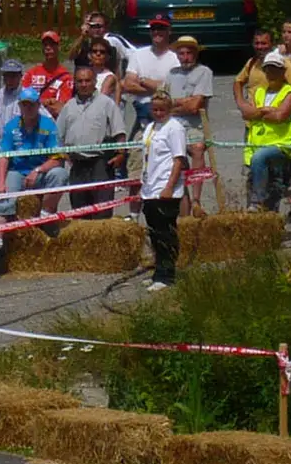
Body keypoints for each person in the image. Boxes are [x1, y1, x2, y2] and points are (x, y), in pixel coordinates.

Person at [0, 88, 67, 272]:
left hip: (41, 171)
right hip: (17, 170)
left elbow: (58, 157)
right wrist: (1, 182)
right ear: (20, 106)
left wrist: (38, 170)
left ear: (38, 105)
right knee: (0, 191)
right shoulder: (11, 126)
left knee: (60, 175)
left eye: (31, 104)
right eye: (24, 105)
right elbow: (4, 156)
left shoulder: (49, 125)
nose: (28, 108)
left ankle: (45, 219)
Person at [54, 66, 130, 218]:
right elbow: (57, 135)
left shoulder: (106, 103)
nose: (83, 84)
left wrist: (121, 154)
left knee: (102, 211)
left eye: (87, 80)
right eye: (80, 81)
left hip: (101, 163)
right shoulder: (68, 106)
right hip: (77, 165)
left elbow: (119, 132)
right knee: (79, 211)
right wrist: (63, 154)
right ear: (74, 83)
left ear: (95, 82)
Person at [140, 91, 189, 290]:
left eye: (162, 109)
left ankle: (167, 275)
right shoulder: (151, 127)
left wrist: (169, 186)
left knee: (165, 232)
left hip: (165, 187)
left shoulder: (174, 128)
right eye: (155, 109)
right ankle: (158, 271)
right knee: (154, 232)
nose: (158, 113)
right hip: (149, 187)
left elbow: (179, 159)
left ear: (170, 109)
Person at [241, 48, 291, 212]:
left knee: (261, 161)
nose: (271, 72)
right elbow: (247, 114)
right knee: (257, 173)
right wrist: (267, 111)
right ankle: (260, 210)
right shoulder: (259, 92)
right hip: (256, 144)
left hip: (280, 145)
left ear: (283, 71)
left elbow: (280, 116)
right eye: (268, 69)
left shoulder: (289, 92)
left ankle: (257, 201)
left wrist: (260, 113)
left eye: (275, 69)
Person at [122, 17, 178, 124]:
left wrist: (143, 81)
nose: (156, 32)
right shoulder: (138, 54)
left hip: (166, 110)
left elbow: (174, 88)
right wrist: (160, 89)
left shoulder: (175, 59)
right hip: (142, 108)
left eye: (160, 28)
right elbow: (128, 85)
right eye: (153, 29)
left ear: (169, 31)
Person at [234, 29, 291, 110]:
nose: (260, 47)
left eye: (263, 43)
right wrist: (241, 102)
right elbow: (238, 82)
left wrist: (284, 107)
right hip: (253, 119)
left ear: (272, 44)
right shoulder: (252, 62)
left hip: (275, 118)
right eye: (257, 43)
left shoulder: (282, 63)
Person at [164, 36, 215, 138]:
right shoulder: (172, 73)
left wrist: (172, 105)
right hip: (171, 124)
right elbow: (163, 103)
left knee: (196, 147)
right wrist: (187, 100)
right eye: (181, 54)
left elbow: (193, 107)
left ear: (196, 54)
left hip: (194, 127)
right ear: (177, 56)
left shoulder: (204, 72)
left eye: (189, 53)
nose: (186, 57)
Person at [21, 31, 73, 113]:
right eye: (45, 45)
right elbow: (23, 100)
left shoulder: (66, 77)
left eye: (52, 44)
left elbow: (60, 107)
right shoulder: (31, 73)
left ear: (58, 47)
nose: (48, 48)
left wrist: (37, 102)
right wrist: (44, 102)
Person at [0, 59, 25, 136]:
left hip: (20, 142)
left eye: (13, 76)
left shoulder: (27, 96)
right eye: (7, 76)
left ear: (20, 76)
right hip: (1, 142)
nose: (10, 80)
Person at [84, 39, 123, 103]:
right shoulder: (84, 74)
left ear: (107, 57)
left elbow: (100, 101)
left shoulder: (110, 77)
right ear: (89, 55)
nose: (98, 54)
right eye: (94, 51)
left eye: (102, 52)